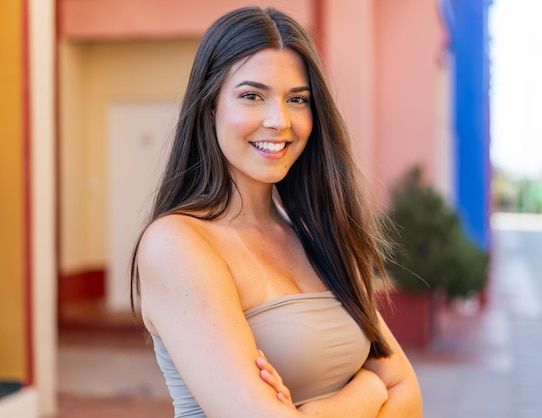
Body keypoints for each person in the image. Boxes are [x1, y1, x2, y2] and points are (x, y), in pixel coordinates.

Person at [130, 5, 422, 417]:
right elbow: (389, 385)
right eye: (252, 95)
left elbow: (409, 395)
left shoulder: (318, 235)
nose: (278, 120)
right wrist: (371, 388)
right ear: (210, 105)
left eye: (297, 99)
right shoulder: (176, 245)